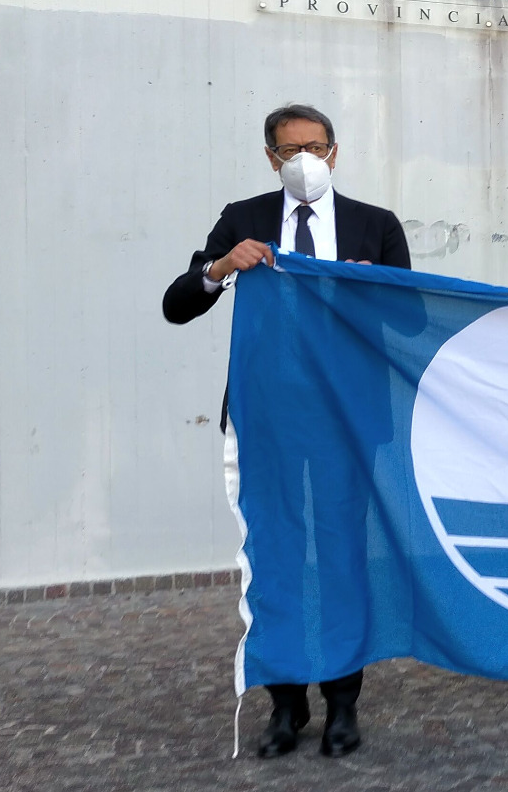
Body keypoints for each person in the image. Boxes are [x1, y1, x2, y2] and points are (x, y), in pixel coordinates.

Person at [162, 103, 411, 759]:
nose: (305, 157)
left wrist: (375, 288)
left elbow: (412, 320)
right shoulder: (243, 218)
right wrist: (219, 270)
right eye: (290, 148)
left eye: (316, 145)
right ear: (272, 158)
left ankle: (343, 702)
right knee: (275, 555)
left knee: (340, 555)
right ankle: (284, 702)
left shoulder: (374, 224)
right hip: (267, 417)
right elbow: (177, 303)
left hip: (346, 422)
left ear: (335, 151)